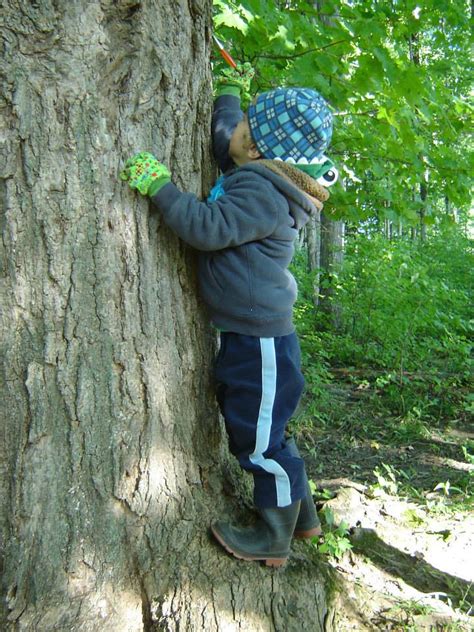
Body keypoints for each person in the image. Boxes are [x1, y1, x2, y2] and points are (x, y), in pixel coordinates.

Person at [120, 64, 337, 567]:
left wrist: (161, 188)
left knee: (257, 440)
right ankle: (302, 519)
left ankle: (274, 537)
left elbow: (207, 227)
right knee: (269, 430)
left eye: (244, 129)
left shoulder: (262, 193)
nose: (232, 133)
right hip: (256, 333)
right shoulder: (263, 168)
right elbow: (227, 138)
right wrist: (230, 95)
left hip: (260, 341)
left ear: (257, 150)